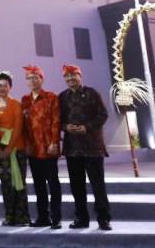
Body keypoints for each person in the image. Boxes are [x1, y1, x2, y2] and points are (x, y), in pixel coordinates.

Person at [60, 64, 112, 231]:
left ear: (80, 75)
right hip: (72, 149)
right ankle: (81, 218)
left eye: (73, 75)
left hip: (93, 148)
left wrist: (87, 127)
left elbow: (103, 114)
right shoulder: (62, 97)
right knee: (77, 186)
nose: (70, 79)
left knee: (98, 185)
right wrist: (65, 127)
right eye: (67, 76)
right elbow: (57, 120)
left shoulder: (92, 93)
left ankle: (103, 219)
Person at [21, 65, 62, 229]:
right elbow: (23, 125)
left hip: (48, 147)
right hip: (33, 149)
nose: (32, 81)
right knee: (38, 185)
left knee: (53, 183)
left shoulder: (51, 97)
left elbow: (56, 121)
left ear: (41, 79)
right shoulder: (25, 100)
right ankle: (42, 217)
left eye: (35, 77)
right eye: (29, 78)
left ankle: (56, 217)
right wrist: (27, 145)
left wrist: (54, 142)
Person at [0, 71, 29, 226]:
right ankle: (9, 216)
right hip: (0, 150)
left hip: (16, 149)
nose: (2, 88)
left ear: (10, 87)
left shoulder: (16, 104)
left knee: (18, 183)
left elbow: (18, 127)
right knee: (6, 184)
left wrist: (9, 147)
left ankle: (22, 217)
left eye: (5, 85)